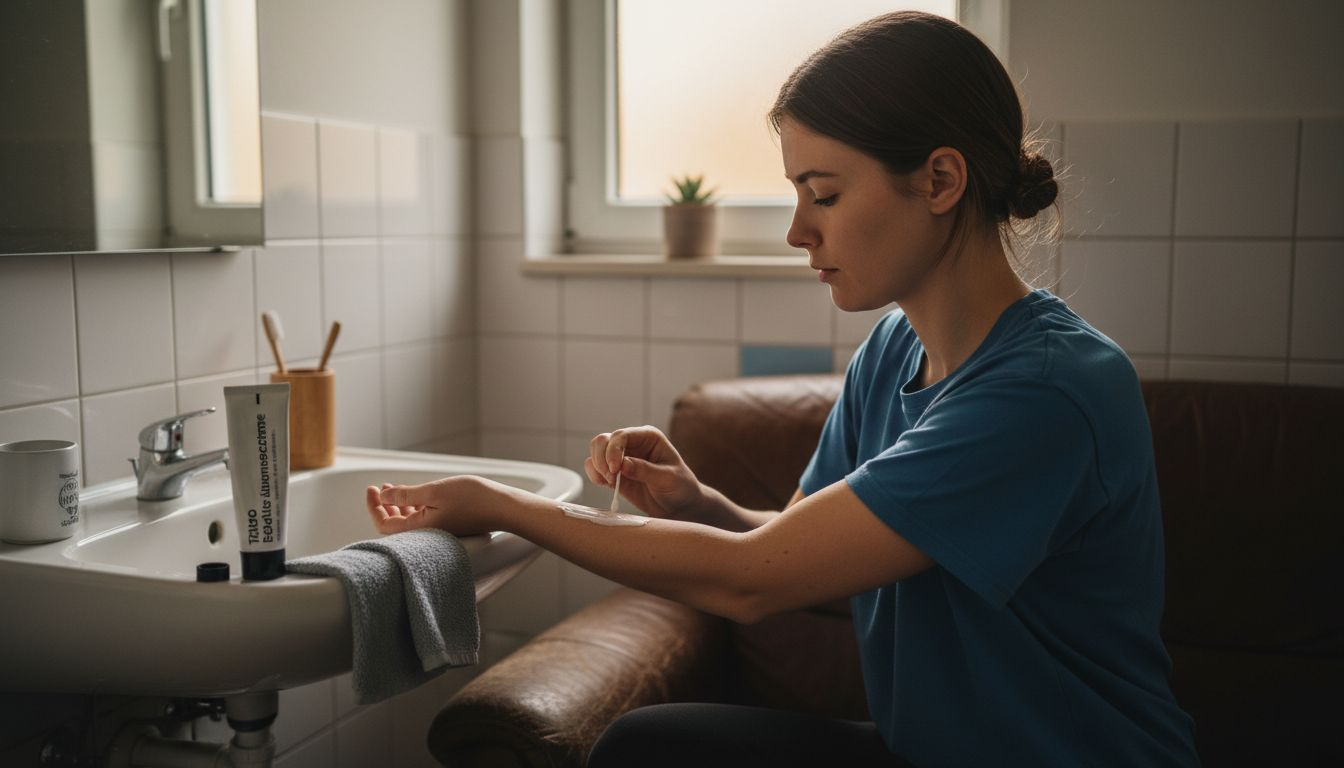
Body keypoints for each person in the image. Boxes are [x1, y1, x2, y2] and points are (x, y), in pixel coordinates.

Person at [367, 10, 1199, 767]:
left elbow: (752, 579)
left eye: (824, 195)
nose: (800, 231)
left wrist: (510, 506)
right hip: (926, 752)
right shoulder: (892, 349)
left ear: (941, 182)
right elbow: (798, 544)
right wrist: (698, 504)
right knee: (646, 749)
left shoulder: (1047, 393)